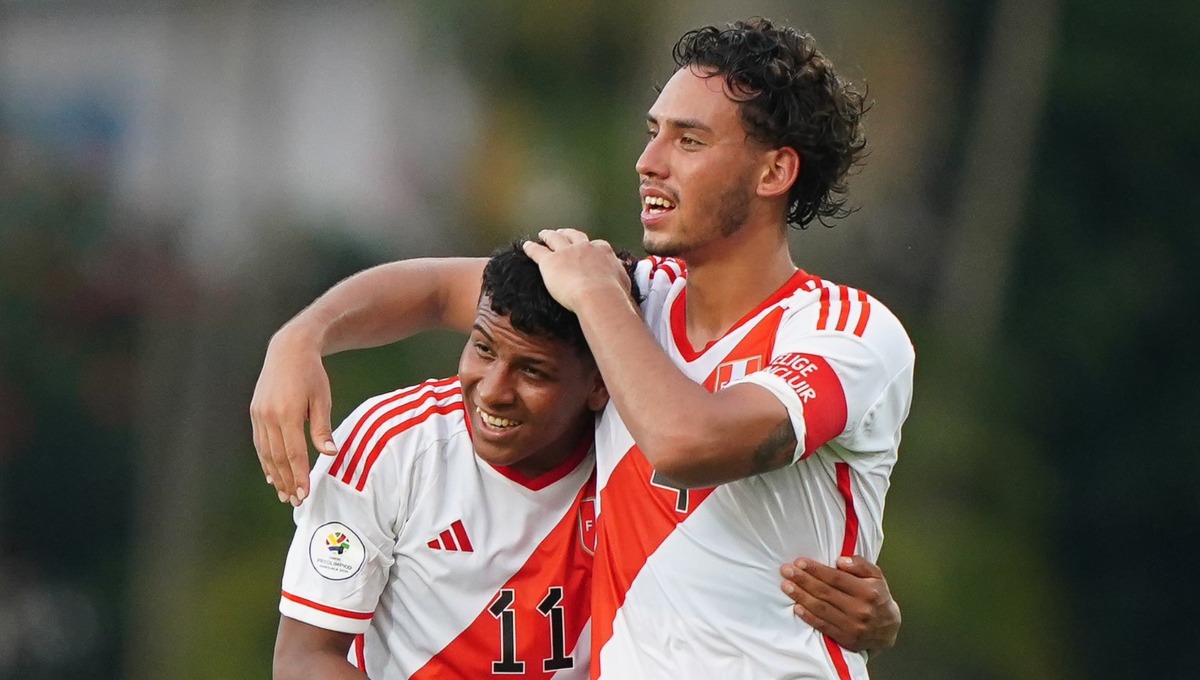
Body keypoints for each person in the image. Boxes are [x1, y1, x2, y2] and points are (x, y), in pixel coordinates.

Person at [254, 18, 909, 678]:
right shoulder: (631, 296)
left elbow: (689, 446)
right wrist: (301, 339)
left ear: (775, 170)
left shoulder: (845, 332)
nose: (649, 161)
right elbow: (435, 291)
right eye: (654, 132)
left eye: (689, 140)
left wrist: (597, 297)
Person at [274, 242, 626, 679]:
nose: (493, 390)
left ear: (600, 384)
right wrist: (299, 336)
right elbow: (304, 659)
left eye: (533, 371)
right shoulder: (391, 445)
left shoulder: (634, 456)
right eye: (483, 349)